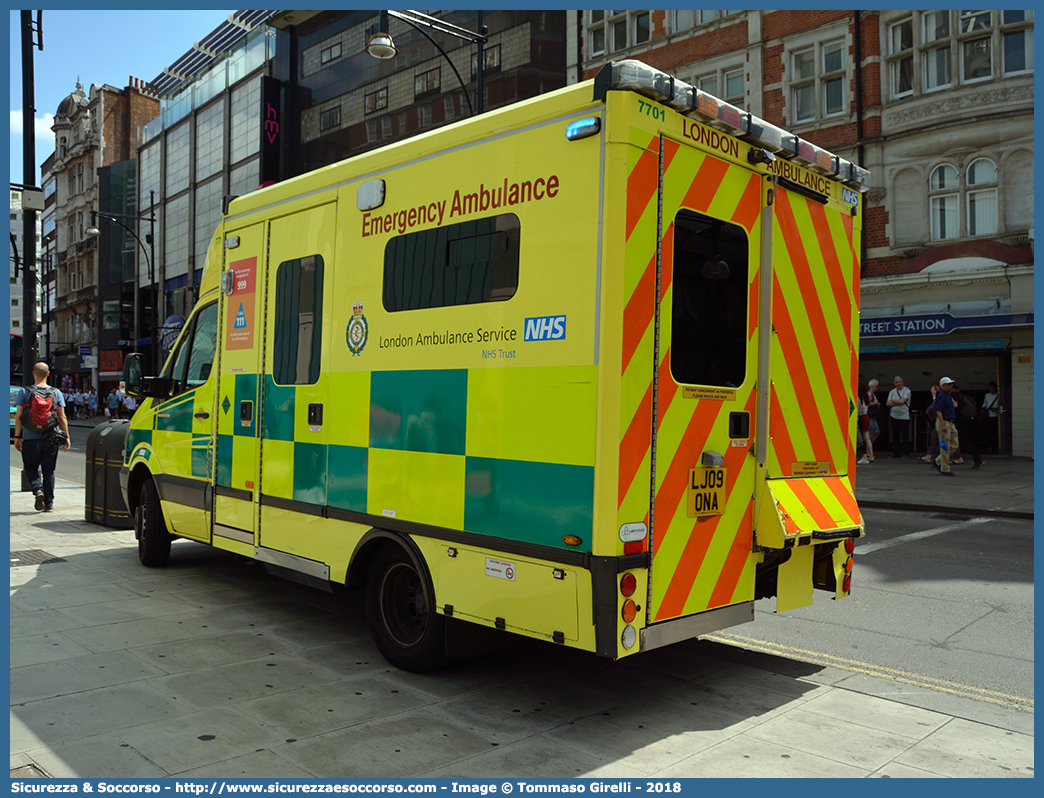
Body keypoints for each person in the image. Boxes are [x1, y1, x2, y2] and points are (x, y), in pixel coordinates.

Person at [13, 362, 71, 511]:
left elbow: (19, 416)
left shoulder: (24, 392)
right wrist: (66, 437)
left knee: (30, 468)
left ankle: (38, 490)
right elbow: (62, 417)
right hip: (50, 438)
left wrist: (18, 437)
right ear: (48, 374)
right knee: (49, 471)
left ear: (33, 374)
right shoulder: (56, 393)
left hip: (31, 438)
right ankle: (49, 504)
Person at [951, 382, 984, 469]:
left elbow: (954, 406)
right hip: (963, 421)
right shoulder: (962, 395)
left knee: (953, 440)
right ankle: (977, 458)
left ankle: (939, 461)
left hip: (957, 421)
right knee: (964, 440)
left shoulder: (954, 394)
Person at [932, 377, 959, 477]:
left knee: (954, 445)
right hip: (945, 421)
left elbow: (955, 405)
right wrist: (943, 424)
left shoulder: (948, 395)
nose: (951, 386)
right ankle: (945, 468)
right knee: (945, 446)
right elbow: (938, 411)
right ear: (943, 386)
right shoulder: (942, 396)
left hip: (951, 422)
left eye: (951, 384)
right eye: (949, 384)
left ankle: (938, 460)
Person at [886, 375, 912, 459]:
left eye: (900, 381)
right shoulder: (892, 391)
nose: (898, 383)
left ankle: (905, 453)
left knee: (904, 435)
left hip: (904, 417)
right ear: (894, 383)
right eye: (896, 382)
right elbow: (887, 403)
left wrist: (893, 401)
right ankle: (896, 453)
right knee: (895, 435)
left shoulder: (907, 390)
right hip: (893, 416)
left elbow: (902, 401)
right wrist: (897, 402)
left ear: (903, 382)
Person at [981, 381, 1001, 453]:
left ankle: (994, 447)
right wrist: (983, 409)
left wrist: (996, 409)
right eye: (990, 388)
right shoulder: (987, 395)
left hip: (996, 416)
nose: (991, 390)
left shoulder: (998, 395)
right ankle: (989, 446)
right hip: (988, 415)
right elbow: (985, 404)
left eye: (992, 388)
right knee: (987, 432)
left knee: (995, 433)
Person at [865, 379, 881, 455]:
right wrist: (876, 403)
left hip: (873, 418)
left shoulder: (872, 394)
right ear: (873, 386)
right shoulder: (870, 394)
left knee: (876, 432)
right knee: (870, 434)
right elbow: (867, 404)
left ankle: (869, 449)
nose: (877, 388)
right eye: (877, 386)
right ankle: (868, 451)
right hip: (870, 417)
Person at [856, 392, 873, 464]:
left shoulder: (858, 399)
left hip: (861, 417)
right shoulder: (865, 399)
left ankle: (865, 455)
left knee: (861, 438)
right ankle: (871, 455)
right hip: (866, 416)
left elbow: (859, 411)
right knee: (867, 438)